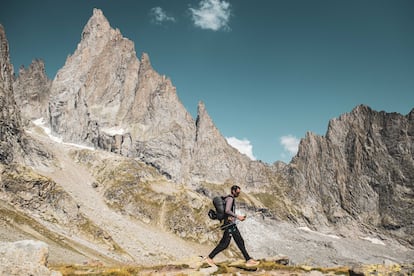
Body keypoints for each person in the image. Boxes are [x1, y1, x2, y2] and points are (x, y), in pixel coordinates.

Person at [205, 185, 260, 267]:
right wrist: (238, 217)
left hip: (230, 224)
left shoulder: (228, 198)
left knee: (238, 241)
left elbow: (228, 211)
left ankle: (248, 259)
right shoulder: (230, 198)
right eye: (237, 192)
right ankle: (209, 258)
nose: (238, 194)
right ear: (233, 191)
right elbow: (227, 210)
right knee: (225, 244)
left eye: (239, 193)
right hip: (229, 225)